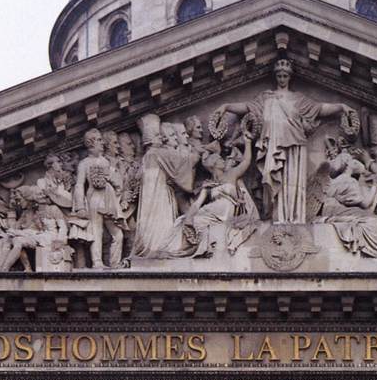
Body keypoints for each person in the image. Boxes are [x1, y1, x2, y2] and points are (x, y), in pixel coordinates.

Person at [214, 59, 356, 222]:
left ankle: (293, 217)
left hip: (295, 146)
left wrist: (341, 106)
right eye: (279, 76)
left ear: (290, 77)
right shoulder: (266, 98)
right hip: (272, 145)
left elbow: (321, 108)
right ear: (276, 77)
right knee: (270, 178)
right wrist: (225, 106)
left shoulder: (299, 99)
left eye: (285, 76)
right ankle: (274, 215)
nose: (282, 79)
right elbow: (247, 107)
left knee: (292, 182)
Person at [178, 134, 259, 257]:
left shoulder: (232, 174)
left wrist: (248, 142)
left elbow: (246, 161)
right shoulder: (209, 184)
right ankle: (202, 248)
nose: (223, 160)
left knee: (197, 219)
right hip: (212, 212)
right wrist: (189, 216)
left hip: (227, 211)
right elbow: (197, 204)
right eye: (220, 160)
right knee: (191, 220)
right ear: (214, 165)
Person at [132, 113, 199, 258]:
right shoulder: (157, 153)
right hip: (159, 195)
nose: (162, 138)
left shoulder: (147, 157)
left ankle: (154, 245)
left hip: (153, 197)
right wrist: (197, 151)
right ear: (149, 139)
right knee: (161, 219)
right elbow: (186, 162)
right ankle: (159, 245)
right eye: (158, 136)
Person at [318, 149, 377, 258]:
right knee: (374, 221)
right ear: (348, 164)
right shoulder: (350, 181)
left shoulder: (337, 180)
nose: (358, 163)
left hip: (331, 210)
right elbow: (366, 204)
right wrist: (375, 185)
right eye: (354, 161)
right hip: (337, 211)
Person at [73, 128, 126, 268]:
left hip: (109, 200)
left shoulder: (106, 162)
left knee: (118, 234)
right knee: (96, 231)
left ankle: (115, 263)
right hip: (94, 199)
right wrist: (80, 207)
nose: (102, 143)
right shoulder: (84, 163)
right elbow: (79, 185)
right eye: (99, 140)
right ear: (90, 143)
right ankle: (97, 262)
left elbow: (116, 182)